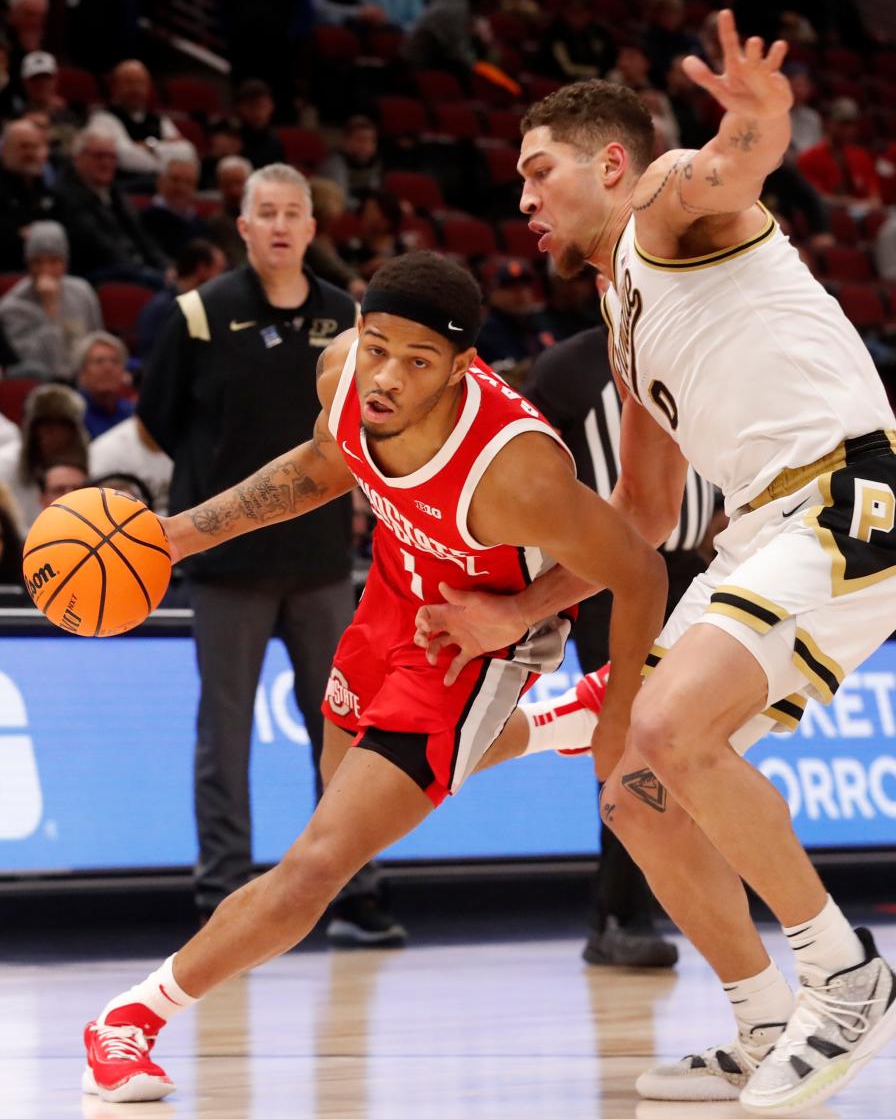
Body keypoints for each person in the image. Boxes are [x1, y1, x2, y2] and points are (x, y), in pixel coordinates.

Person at [417, 15, 896, 1113]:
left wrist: (758, 112)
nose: (523, 199)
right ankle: (759, 1021)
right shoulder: (621, 316)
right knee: (635, 790)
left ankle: (846, 978)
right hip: (762, 531)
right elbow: (642, 516)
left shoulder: (661, 202)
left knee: (665, 729)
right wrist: (516, 609)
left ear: (608, 162)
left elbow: (737, 161)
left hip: (848, 497)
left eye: (538, 171)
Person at [81, 248, 667, 1104]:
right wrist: (182, 534)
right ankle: (552, 727)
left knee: (319, 862)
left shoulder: (518, 472)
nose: (386, 376)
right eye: (378, 345)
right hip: (394, 592)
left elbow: (639, 567)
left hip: (476, 634)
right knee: (339, 800)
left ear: (464, 368)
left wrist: (594, 690)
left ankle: (132, 1017)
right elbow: (327, 463)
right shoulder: (343, 372)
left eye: (418, 361)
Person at [136, 163, 377, 937]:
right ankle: (220, 898)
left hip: (319, 565)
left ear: (312, 228)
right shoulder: (198, 315)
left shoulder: (350, 317)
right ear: (242, 227)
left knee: (343, 733)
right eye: (264, 213)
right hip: (226, 567)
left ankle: (355, 893)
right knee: (225, 736)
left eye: (293, 213)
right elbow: (159, 421)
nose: (278, 225)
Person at [524, 289, 715, 969]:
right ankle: (616, 914)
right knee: (626, 740)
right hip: (608, 579)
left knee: (685, 742)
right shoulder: (567, 368)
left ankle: (652, 903)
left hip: (693, 571)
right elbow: (535, 482)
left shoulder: (696, 357)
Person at [55, 127, 168, 286]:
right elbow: (98, 247)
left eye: (112, 157)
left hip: (134, 270)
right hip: (99, 275)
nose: (106, 162)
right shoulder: (65, 196)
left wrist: (166, 267)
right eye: (99, 156)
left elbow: (143, 238)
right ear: (78, 158)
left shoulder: (116, 194)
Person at [0, 220, 103, 381]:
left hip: (87, 380)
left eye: (54, 261)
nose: (45, 270)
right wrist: (51, 310)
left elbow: (97, 342)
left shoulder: (82, 291)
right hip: (45, 386)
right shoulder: (12, 307)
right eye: (37, 262)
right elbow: (44, 366)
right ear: (27, 264)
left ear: (65, 263)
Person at [0, 382, 89, 534]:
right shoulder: (6, 464)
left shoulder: (86, 463)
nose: (52, 432)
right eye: (45, 424)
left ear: (73, 430)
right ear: (33, 429)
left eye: (61, 424)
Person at [88, 59, 184, 179]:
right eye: (129, 82)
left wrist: (148, 147)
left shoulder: (160, 120)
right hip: (125, 187)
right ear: (115, 86)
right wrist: (165, 157)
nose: (135, 89)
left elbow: (186, 153)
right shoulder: (103, 119)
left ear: (148, 87)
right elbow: (125, 158)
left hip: (161, 187)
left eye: (140, 83)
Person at [136, 238, 226, 361]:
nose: (224, 278)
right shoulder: (162, 309)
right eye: (220, 270)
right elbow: (154, 360)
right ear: (202, 269)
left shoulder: (211, 304)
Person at [796, 97, 881, 209]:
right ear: (829, 123)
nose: (849, 130)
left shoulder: (862, 156)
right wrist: (848, 203)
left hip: (862, 215)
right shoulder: (809, 158)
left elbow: (875, 196)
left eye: (852, 125)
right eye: (843, 124)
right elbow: (813, 197)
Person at [0, 116, 61, 271]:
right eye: (23, 147)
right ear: (5, 151)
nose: (30, 153)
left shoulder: (45, 187)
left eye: (35, 147)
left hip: (52, 267)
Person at [140, 146, 211, 259]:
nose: (181, 188)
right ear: (160, 182)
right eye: (175, 180)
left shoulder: (199, 223)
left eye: (188, 183)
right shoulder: (146, 218)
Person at [75, 331, 136, 439]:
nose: (108, 368)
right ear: (82, 373)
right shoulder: (73, 416)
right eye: (99, 361)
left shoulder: (133, 414)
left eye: (115, 362)